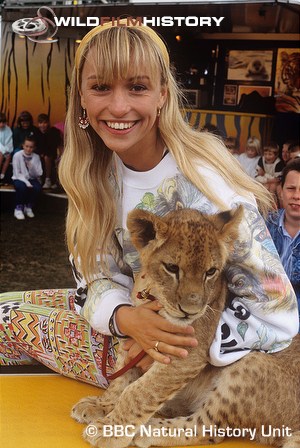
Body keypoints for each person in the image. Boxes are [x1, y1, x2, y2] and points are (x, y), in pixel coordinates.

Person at [0, 21, 298, 387]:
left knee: (4, 321)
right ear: (80, 96)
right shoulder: (92, 171)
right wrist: (125, 316)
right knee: (5, 301)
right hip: (123, 323)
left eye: (137, 87)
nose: (119, 106)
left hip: (164, 360)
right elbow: (91, 277)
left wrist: (173, 339)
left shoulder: (208, 184)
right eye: (100, 87)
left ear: (163, 95)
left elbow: (279, 315)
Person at [266, 159, 300, 328]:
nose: (297, 196)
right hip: (265, 314)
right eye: (291, 188)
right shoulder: (264, 225)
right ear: (281, 191)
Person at [11, 135, 43, 220]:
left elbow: (38, 173)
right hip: (19, 178)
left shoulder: (36, 157)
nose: (29, 149)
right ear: (23, 146)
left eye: (31, 147)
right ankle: (18, 208)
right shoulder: (17, 155)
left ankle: (28, 207)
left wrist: (31, 167)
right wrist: (27, 182)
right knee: (22, 187)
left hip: (32, 178)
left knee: (37, 188)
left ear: (34, 148)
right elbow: (17, 173)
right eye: (27, 146)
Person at [36, 113, 63, 189]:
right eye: (41, 123)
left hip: (52, 153)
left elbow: (58, 145)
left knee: (47, 157)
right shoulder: (36, 132)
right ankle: (38, 178)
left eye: (45, 122)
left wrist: (60, 155)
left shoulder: (54, 132)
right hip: (41, 153)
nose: (43, 125)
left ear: (48, 123)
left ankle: (48, 179)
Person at [0, 112, 13, 183]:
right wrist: (3, 150)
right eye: (0, 122)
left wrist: (8, 150)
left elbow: (9, 141)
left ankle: (2, 174)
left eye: (3, 122)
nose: (1, 124)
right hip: (1, 149)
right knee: (1, 155)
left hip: (5, 149)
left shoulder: (8, 129)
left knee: (8, 157)